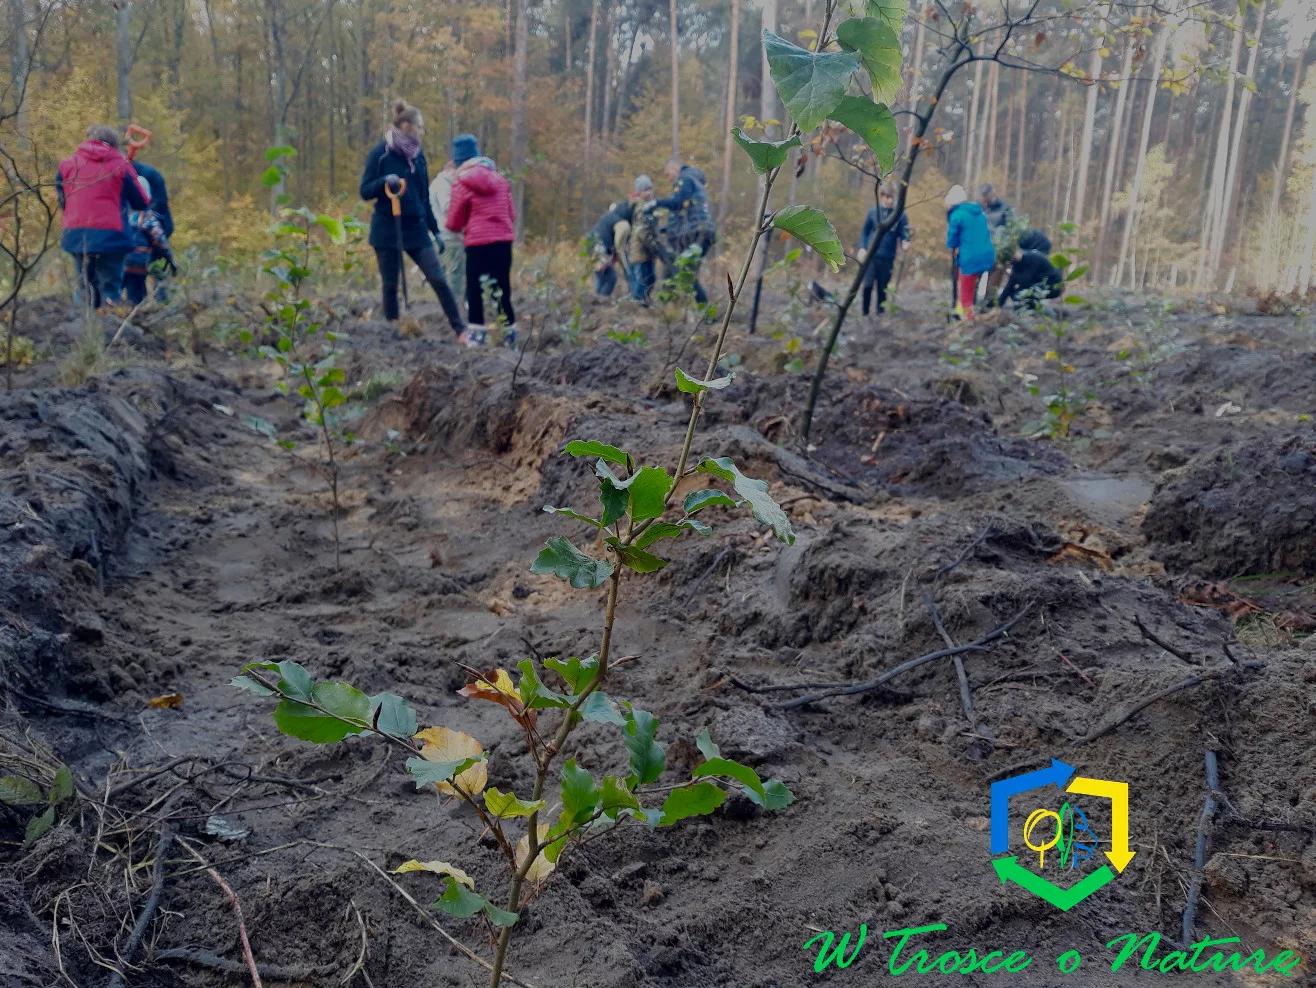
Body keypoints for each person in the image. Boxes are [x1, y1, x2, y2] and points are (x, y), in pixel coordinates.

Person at [359, 100, 469, 342]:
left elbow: (424, 197)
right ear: (406, 125)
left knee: (438, 278)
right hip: (387, 228)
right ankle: (393, 330)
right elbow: (365, 190)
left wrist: (435, 230)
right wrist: (384, 182)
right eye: (419, 127)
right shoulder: (381, 154)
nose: (422, 132)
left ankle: (461, 330)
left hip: (416, 228)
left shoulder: (418, 157)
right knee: (390, 284)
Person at [56, 125, 150, 311]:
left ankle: (81, 331)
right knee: (110, 286)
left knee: (83, 285)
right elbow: (142, 202)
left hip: (76, 233)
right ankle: (111, 331)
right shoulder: (122, 166)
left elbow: (63, 200)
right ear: (114, 144)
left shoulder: (67, 165)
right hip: (112, 235)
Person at [445, 134, 517, 342]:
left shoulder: (461, 182)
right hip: (504, 242)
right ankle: (509, 335)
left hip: (477, 244)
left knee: (475, 289)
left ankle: (477, 337)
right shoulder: (501, 180)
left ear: (458, 161)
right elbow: (511, 215)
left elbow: (453, 222)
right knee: (502, 288)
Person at [655, 156, 716, 304]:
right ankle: (668, 312)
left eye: (668, 175)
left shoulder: (685, 180)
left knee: (684, 274)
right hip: (700, 232)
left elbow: (678, 203)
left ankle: (706, 315)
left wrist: (655, 203)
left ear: (674, 169)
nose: (669, 179)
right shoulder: (693, 182)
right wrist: (666, 229)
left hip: (694, 235)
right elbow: (685, 212)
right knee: (674, 272)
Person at [586, 174, 655, 298]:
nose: (649, 193)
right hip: (597, 244)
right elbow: (619, 248)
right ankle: (599, 303)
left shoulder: (621, 213)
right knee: (609, 277)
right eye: (646, 190)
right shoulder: (623, 224)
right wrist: (627, 269)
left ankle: (596, 302)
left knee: (604, 277)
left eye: (650, 189)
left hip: (594, 241)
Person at [122, 157, 173, 304]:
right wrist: (170, 257)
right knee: (138, 290)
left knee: (120, 289)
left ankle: (120, 313)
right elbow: (160, 239)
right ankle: (148, 307)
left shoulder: (122, 217)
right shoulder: (148, 219)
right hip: (140, 262)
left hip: (123, 262)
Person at [857, 182, 912, 316]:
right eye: (885, 197)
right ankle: (865, 314)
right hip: (871, 256)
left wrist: (906, 241)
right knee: (868, 285)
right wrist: (862, 248)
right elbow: (865, 232)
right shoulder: (872, 212)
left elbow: (904, 233)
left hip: (888, 257)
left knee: (883, 288)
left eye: (891, 197)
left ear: (895, 197)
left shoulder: (900, 215)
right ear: (881, 196)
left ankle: (880, 314)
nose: (888, 200)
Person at [944, 184, 995, 324]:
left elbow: (951, 239)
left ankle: (968, 323)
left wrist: (952, 246)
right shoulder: (979, 213)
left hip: (970, 259)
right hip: (987, 257)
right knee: (974, 289)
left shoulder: (956, 215)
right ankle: (969, 313)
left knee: (965, 293)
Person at [428, 154, 467, 319]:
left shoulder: (437, 183)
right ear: (451, 166)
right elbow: (448, 207)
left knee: (444, 276)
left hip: (439, 236)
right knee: (455, 275)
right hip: (450, 237)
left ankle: (444, 310)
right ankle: (454, 309)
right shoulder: (444, 184)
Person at [999, 230, 1063, 311]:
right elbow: (1009, 286)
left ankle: (1046, 312)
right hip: (1038, 285)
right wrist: (998, 305)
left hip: (1052, 286)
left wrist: (1011, 274)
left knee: (1020, 295)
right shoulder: (1017, 264)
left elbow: (1025, 282)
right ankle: (1031, 309)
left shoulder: (1032, 258)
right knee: (1015, 293)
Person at [627, 197, 668, 304]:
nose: (649, 192)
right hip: (639, 255)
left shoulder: (650, 216)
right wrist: (656, 249)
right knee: (642, 280)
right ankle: (636, 301)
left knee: (651, 279)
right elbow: (643, 235)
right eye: (646, 190)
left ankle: (645, 302)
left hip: (648, 255)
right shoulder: (641, 214)